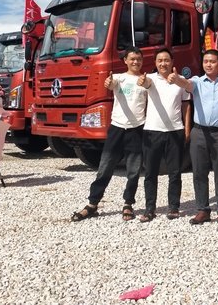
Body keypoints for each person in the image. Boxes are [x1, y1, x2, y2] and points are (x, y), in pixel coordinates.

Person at [168, 49, 218, 229]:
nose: (209, 64)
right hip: (199, 132)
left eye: (212, 61)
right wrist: (176, 79)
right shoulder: (197, 81)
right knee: (199, 172)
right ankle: (203, 209)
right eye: (206, 61)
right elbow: (185, 84)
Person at [71, 46, 147, 222]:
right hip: (117, 128)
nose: (135, 62)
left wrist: (147, 83)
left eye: (138, 59)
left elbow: (151, 91)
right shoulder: (118, 78)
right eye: (132, 59)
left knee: (133, 170)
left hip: (137, 129)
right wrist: (108, 83)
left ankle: (128, 204)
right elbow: (110, 84)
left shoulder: (145, 80)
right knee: (105, 167)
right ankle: (92, 204)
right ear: (125, 61)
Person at [137, 47, 191, 222]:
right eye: (159, 60)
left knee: (175, 172)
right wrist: (143, 81)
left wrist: (187, 129)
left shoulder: (180, 80)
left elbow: (186, 105)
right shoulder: (150, 78)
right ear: (155, 63)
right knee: (150, 172)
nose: (163, 63)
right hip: (152, 131)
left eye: (166, 60)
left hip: (175, 131)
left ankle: (174, 207)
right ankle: (150, 208)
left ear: (172, 62)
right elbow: (145, 83)